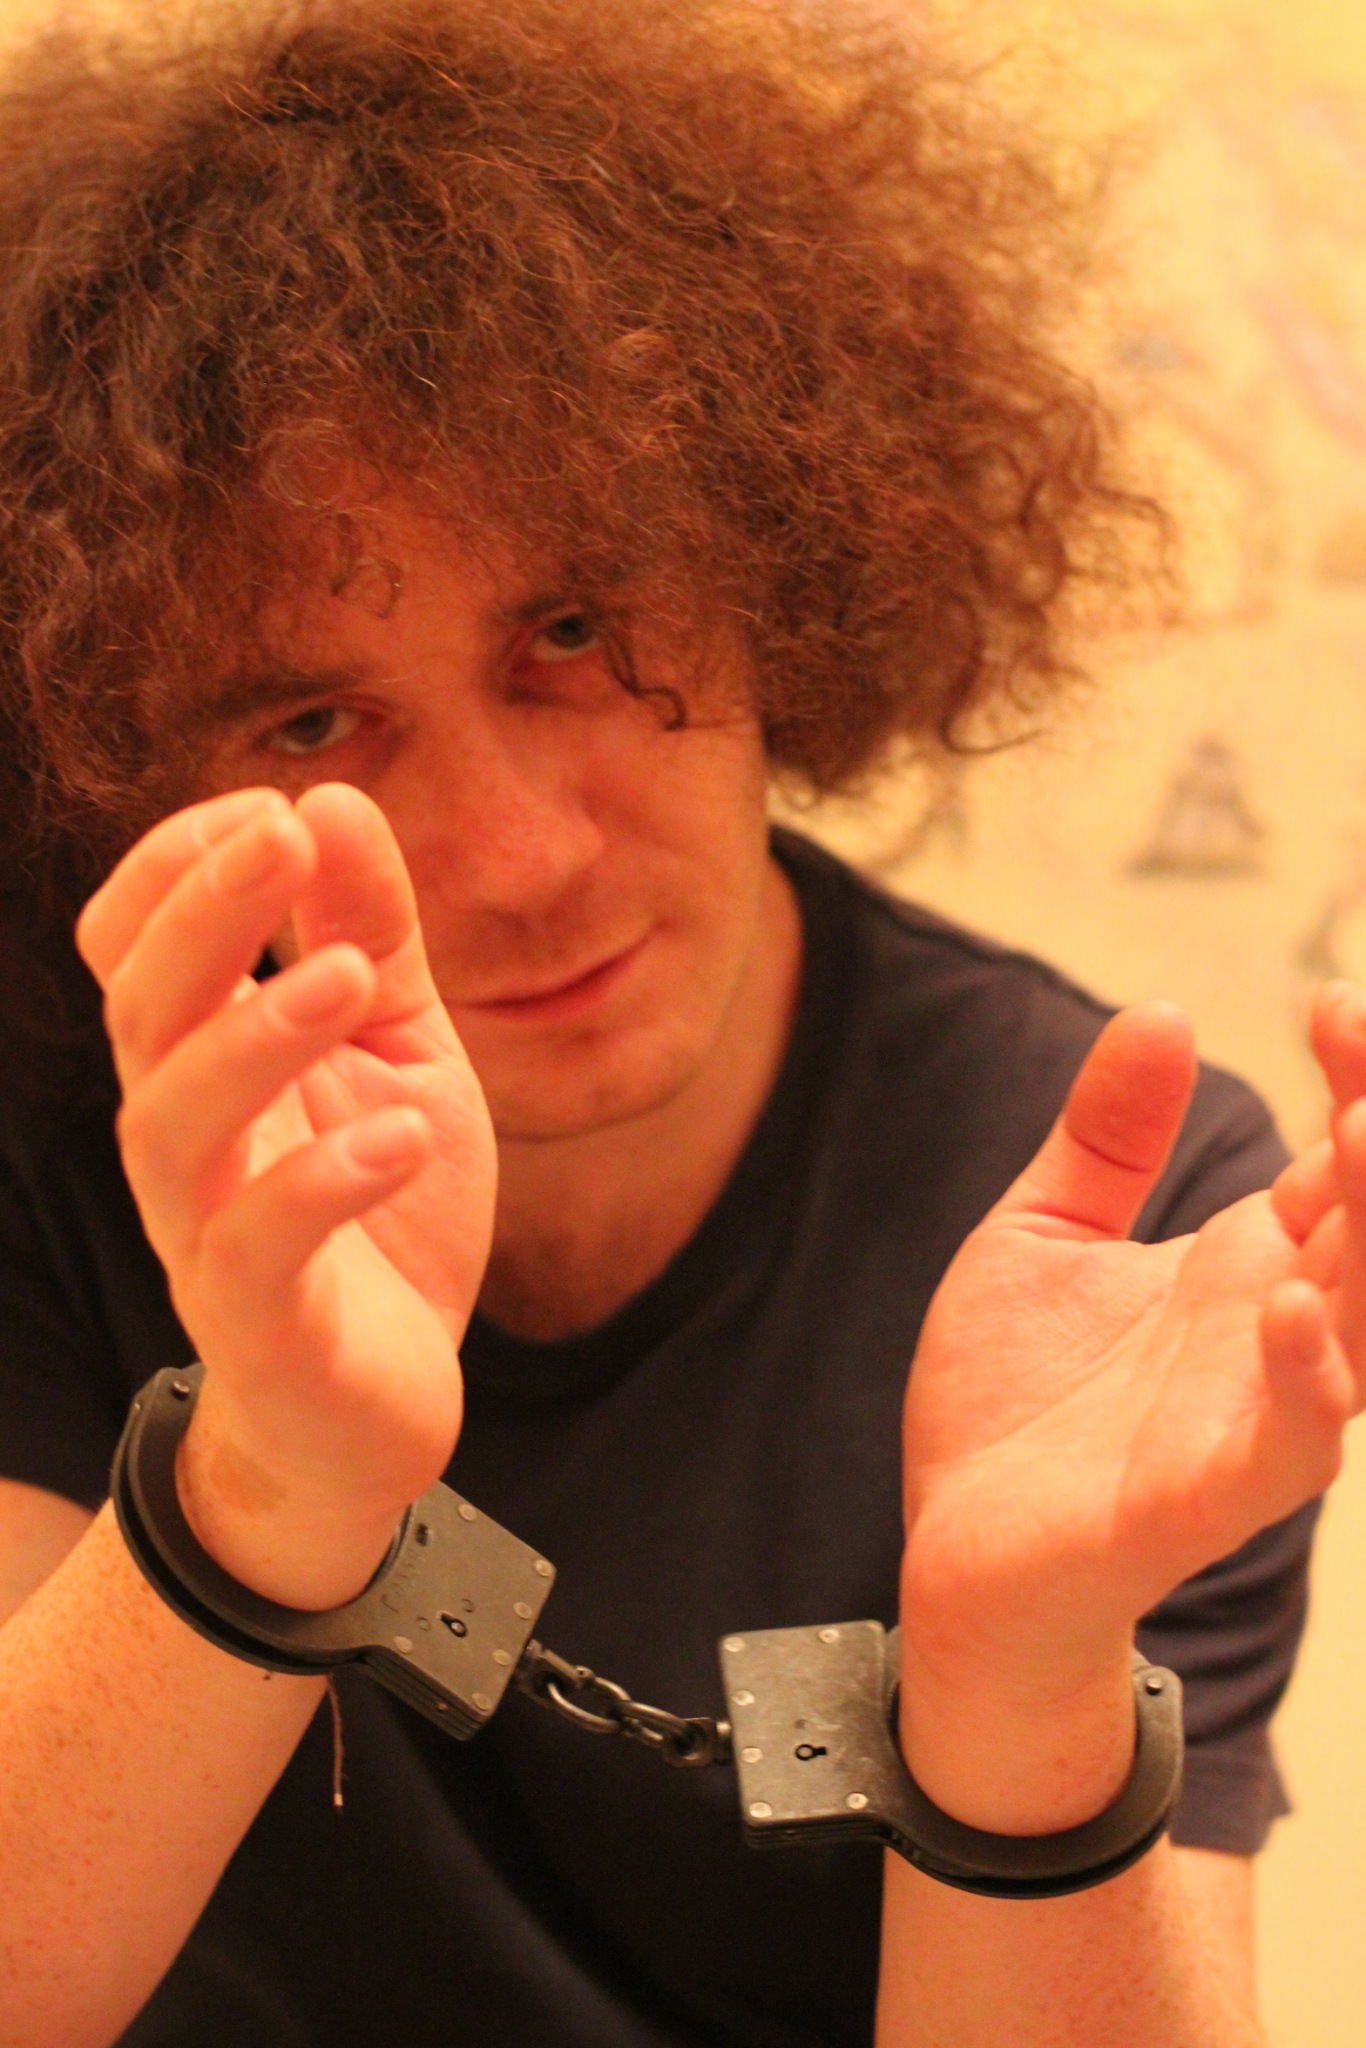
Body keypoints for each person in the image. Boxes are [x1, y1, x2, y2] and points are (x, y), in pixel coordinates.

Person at [0, 2, 1359, 2042]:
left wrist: (1018, 1675)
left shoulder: (1106, 1219)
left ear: (776, 559)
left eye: (571, 630)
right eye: (312, 721)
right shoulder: (74, 1126)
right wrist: (265, 1487)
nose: (522, 857)